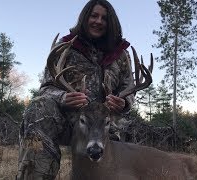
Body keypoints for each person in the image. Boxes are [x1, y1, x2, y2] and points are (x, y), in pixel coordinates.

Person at [16, 0, 135, 179]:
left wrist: (124, 102)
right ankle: (34, 176)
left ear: (111, 23)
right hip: (70, 120)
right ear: (85, 18)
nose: (98, 21)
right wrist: (63, 97)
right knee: (39, 107)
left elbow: (130, 88)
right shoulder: (65, 48)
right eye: (94, 16)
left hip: (105, 126)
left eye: (104, 18)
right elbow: (46, 88)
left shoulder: (120, 54)